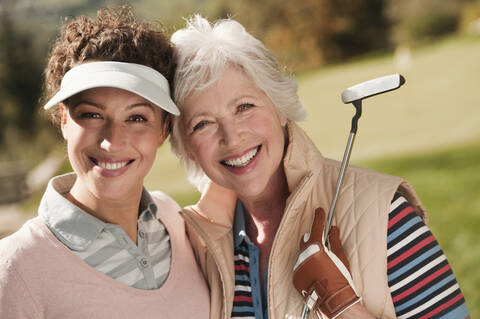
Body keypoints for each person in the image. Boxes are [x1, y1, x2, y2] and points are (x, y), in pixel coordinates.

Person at [168, 15, 470, 319]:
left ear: (280, 109)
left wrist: (343, 306)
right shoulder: (200, 247)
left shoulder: (384, 213)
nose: (232, 137)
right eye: (203, 123)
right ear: (187, 148)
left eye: (244, 107)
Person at [0, 7, 209, 318]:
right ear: (63, 120)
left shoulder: (175, 222)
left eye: (137, 118)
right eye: (92, 114)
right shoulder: (15, 267)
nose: (112, 140)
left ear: (163, 130)